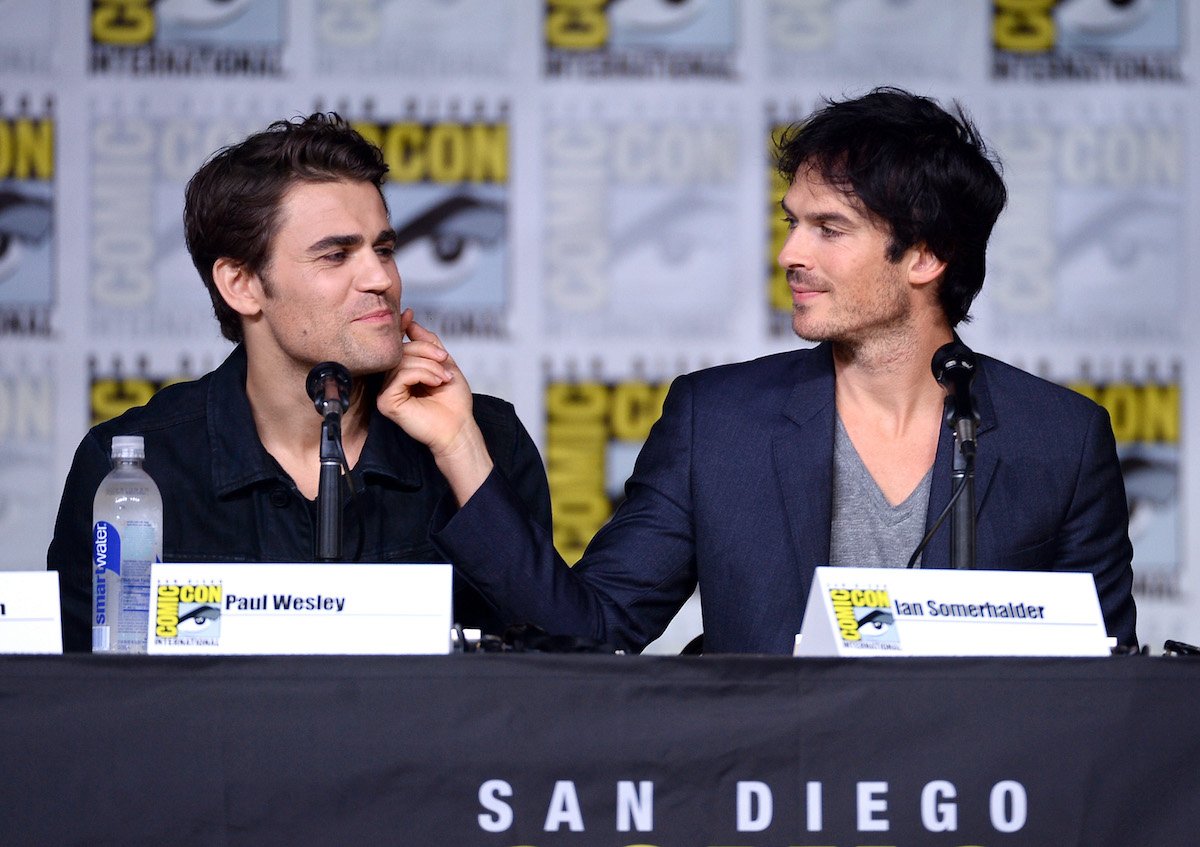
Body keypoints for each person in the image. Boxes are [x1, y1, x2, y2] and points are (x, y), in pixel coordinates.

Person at [399, 87, 1137, 654]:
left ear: (924, 256)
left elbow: (1106, 688)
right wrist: (463, 446)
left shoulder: (1062, 439)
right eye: (793, 221)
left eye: (829, 228)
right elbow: (590, 630)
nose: (791, 254)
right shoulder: (716, 422)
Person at [47, 113, 551, 652]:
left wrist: (460, 449)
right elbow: (81, 700)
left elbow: (561, 677)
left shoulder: (486, 437)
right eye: (336, 255)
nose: (381, 278)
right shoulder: (139, 467)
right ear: (241, 284)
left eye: (383, 249)